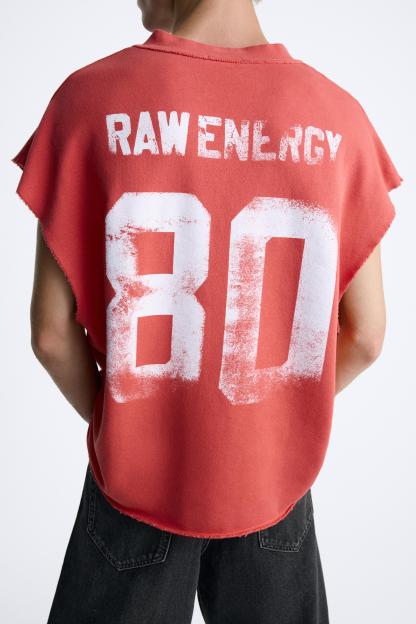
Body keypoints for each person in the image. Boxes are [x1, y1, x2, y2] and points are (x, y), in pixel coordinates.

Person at [12, 0, 403, 622]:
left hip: (136, 483)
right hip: (271, 485)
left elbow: (51, 335)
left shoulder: (87, 101)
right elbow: (368, 335)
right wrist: (271, 419)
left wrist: (130, 422)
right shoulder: (340, 119)